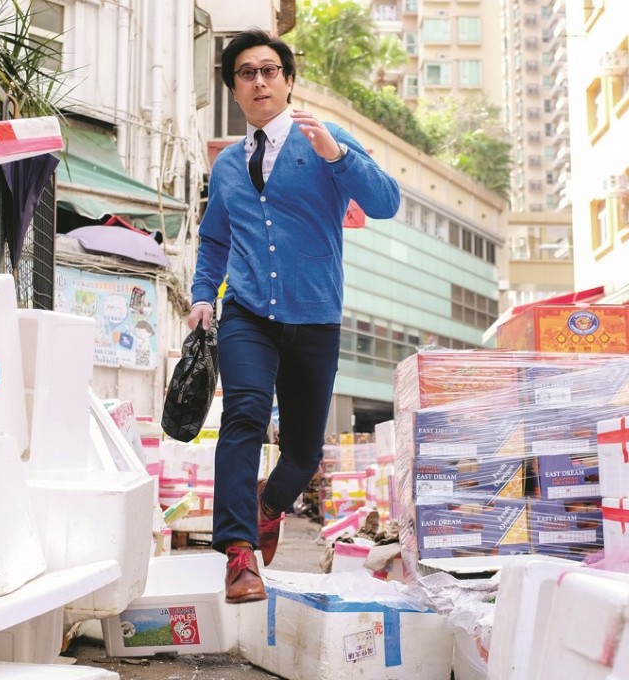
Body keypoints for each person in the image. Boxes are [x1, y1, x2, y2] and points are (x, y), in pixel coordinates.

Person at [186, 28, 400, 604]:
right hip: (247, 312)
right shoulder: (227, 166)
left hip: (315, 315)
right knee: (244, 417)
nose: (259, 81)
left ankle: (268, 504)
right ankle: (238, 554)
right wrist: (204, 295)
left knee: (304, 452)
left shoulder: (327, 141)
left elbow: (386, 203)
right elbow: (214, 239)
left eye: (269, 70)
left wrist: (338, 157)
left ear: (287, 81)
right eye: (247, 73)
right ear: (234, 88)